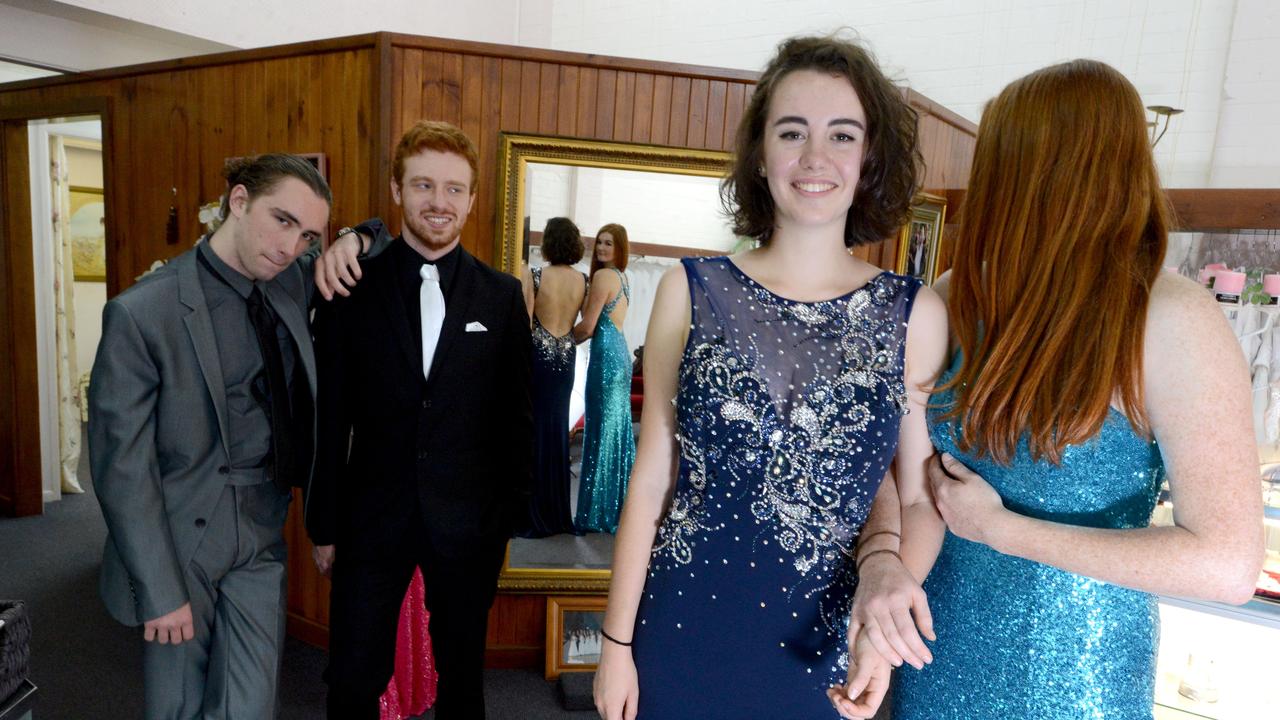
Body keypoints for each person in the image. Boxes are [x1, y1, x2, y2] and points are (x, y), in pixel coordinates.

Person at [836, 60, 1264, 720]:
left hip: (1077, 682)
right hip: (934, 656)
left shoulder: (1171, 318)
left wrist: (1005, 530)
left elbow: (1228, 565)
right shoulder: (957, 293)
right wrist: (881, 598)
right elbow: (905, 475)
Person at [592, 35, 947, 719]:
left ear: (869, 155)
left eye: (842, 135)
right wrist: (615, 643)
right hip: (680, 627)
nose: (816, 158)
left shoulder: (912, 314)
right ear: (760, 152)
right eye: (793, 132)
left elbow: (921, 497)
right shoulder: (688, 290)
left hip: (823, 644)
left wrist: (887, 604)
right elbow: (651, 480)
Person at [88, 153, 370, 719]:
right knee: (180, 707)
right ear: (238, 203)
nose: (291, 246)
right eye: (282, 220)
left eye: (308, 234)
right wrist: (160, 591)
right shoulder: (143, 312)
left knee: (251, 705)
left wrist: (355, 241)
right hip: (178, 538)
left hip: (262, 530)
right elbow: (122, 468)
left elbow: (380, 241)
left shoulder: (290, 281)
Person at [305, 120, 533, 720]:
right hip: (370, 518)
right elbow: (331, 417)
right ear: (398, 190)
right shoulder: (350, 286)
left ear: (473, 199)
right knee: (353, 678)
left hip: (469, 525)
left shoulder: (502, 296)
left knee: (463, 682)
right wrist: (323, 524)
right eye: (425, 185)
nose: (440, 202)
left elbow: (517, 417)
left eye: (454, 189)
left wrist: (503, 521)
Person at [520, 216, 589, 537]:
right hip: (566, 354)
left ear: (548, 242)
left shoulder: (534, 275)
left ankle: (533, 511)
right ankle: (557, 511)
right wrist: (564, 339)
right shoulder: (583, 280)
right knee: (557, 426)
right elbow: (587, 326)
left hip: (538, 353)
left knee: (534, 427)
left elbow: (524, 323)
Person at [573, 223, 638, 534]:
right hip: (620, 355)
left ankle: (598, 513)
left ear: (619, 248)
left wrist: (557, 342)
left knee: (602, 433)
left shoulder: (602, 276)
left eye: (608, 243)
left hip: (606, 358)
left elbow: (587, 326)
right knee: (616, 433)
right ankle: (618, 507)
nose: (601, 248)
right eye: (599, 242)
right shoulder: (623, 278)